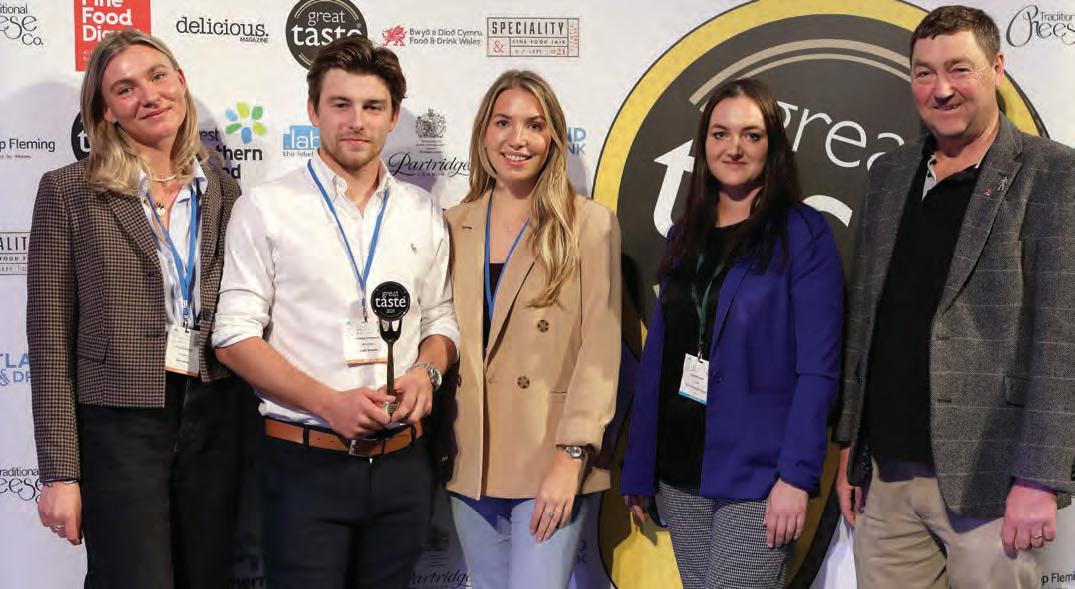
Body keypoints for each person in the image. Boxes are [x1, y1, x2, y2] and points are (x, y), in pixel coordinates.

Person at [835, 6, 1075, 588]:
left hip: (992, 484)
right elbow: (866, 321)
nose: (941, 89)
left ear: (997, 69)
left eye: (959, 69)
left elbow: (1062, 335)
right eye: (924, 73)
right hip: (886, 478)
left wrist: (1040, 478)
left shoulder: (1053, 174)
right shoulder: (889, 173)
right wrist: (850, 449)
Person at [212, 35, 458, 589]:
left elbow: (441, 318)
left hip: (403, 465)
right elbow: (232, 336)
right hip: (304, 464)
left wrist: (427, 370)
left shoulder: (421, 211)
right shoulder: (267, 207)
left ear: (392, 116)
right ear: (313, 110)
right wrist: (329, 403)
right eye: (340, 104)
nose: (356, 121)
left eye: (372, 107)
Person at [28, 29, 245, 588]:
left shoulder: (225, 192)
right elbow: (50, 340)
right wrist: (60, 473)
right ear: (106, 111)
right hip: (119, 425)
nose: (149, 95)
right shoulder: (69, 191)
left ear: (181, 82)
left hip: (216, 415)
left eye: (157, 76)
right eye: (125, 89)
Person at [620, 78, 844, 588]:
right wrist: (639, 465)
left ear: (773, 146)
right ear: (703, 145)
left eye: (751, 135)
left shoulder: (803, 234)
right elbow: (660, 359)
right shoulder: (685, 234)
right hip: (681, 472)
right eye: (720, 134)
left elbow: (818, 369)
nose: (734, 148)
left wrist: (796, 477)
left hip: (759, 477)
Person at [442, 69, 621, 589]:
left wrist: (572, 455)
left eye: (534, 125)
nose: (517, 139)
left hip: (551, 455)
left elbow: (600, 348)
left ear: (553, 139)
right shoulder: (453, 223)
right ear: (483, 133)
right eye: (503, 122)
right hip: (471, 457)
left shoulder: (588, 223)